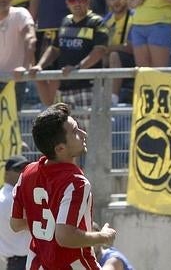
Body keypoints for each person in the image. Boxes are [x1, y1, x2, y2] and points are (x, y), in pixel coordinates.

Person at [10, 103, 117, 269]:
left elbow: (16, 224)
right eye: (75, 131)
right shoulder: (76, 182)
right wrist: (102, 236)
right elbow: (65, 237)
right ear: (60, 148)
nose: (83, 133)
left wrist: (48, 221)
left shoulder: (27, 173)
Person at [28, 0, 108, 120]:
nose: (77, 3)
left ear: (88, 0)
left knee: (89, 135)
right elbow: (54, 49)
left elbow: (99, 51)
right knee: (68, 134)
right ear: (67, 3)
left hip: (87, 87)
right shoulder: (65, 22)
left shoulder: (96, 22)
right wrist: (40, 65)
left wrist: (77, 68)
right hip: (64, 88)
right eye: (72, 0)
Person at [0, 0, 36, 111]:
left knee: (13, 125)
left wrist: (24, 67)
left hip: (15, 80)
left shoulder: (21, 14)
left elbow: (31, 39)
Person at [103, 0, 134, 105]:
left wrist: (110, 48)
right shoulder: (105, 20)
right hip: (111, 60)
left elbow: (132, 48)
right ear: (107, 0)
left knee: (113, 54)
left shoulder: (134, 17)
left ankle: (113, 99)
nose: (117, 0)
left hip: (132, 60)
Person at [0, 155, 31, 270]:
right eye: (18, 169)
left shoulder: (4, 196)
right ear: (6, 173)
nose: (22, 173)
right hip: (23, 262)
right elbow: (38, 224)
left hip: (14, 262)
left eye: (25, 169)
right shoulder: (13, 198)